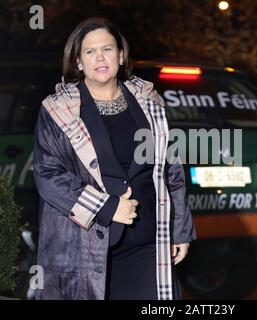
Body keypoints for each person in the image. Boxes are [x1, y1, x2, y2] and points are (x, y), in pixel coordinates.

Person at [32, 17, 196, 300]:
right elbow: (48, 175)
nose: (100, 57)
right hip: (84, 247)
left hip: (148, 241)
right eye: (90, 51)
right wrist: (106, 208)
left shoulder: (150, 103)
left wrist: (180, 229)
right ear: (78, 62)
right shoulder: (58, 111)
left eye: (107, 49)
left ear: (121, 55)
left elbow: (172, 171)